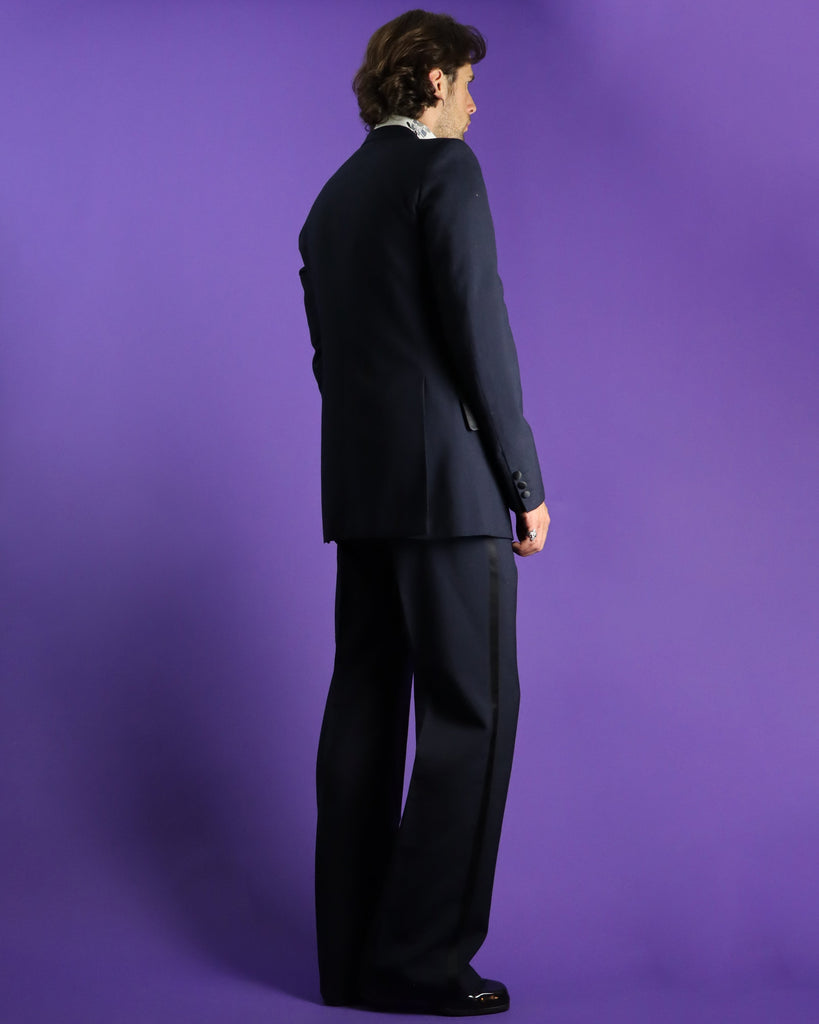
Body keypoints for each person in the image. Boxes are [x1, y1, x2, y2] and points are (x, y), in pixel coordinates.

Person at [298, 9, 550, 1016]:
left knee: (364, 708)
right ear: (435, 79)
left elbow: (332, 362)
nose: (475, 106)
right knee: (470, 716)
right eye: (469, 85)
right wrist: (523, 482)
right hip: (451, 492)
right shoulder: (445, 171)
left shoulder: (331, 201)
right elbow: (478, 333)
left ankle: (351, 961)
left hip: (363, 496)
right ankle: (421, 962)